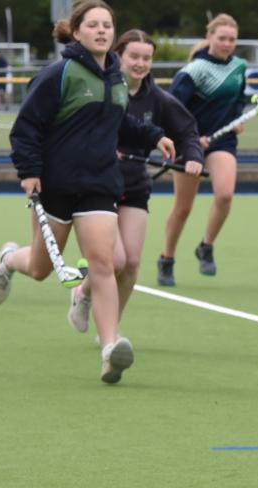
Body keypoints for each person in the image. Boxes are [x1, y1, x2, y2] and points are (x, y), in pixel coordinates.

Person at [0, 0, 176, 383]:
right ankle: (8, 260)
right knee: (40, 269)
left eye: (107, 25)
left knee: (104, 264)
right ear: (76, 32)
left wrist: (155, 136)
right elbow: (26, 129)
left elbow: (117, 123)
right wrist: (29, 172)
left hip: (100, 186)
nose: (102, 31)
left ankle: (110, 349)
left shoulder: (116, 78)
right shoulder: (60, 73)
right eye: (93, 25)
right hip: (56, 185)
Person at [66, 29, 204, 335]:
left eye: (147, 58)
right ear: (119, 56)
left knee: (130, 265)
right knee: (114, 261)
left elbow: (188, 132)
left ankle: (110, 331)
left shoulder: (159, 100)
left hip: (134, 187)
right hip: (97, 186)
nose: (140, 63)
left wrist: (193, 156)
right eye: (134, 57)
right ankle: (82, 294)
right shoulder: (99, 89)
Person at [157, 13, 247, 284]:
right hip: (189, 144)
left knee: (225, 194)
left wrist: (238, 119)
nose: (227, 44)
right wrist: (191, 139)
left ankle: (206, 246)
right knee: (183, 208)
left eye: (232, 39)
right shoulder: (193, 71)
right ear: (209, 37)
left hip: (222, 142)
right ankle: (167, 258)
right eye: (222, 38)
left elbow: (238, 100)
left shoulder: (240, 66)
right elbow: (172, 110)